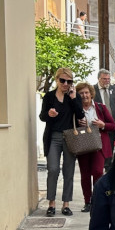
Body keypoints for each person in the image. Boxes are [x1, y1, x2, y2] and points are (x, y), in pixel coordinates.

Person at [39, 68, 84, 216]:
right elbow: (42, 116)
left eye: (69, 81)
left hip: (70, 136)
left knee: (68, 171)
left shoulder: (73, 96)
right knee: (53, 169)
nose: (65, 84)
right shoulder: (50, 96)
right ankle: (51, 203)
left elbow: (80, 115)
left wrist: (73, 99)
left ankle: (66, 204)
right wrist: (49, 114)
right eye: (62, 80)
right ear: (57, 80)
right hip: (54, 136)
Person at [75, 81, 115, 213]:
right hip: (83, 144)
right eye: (81, 93)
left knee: (98, 172)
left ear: (91, 94)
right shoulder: (75, 109)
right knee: (85, 174)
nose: (84, 95)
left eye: (86, 92)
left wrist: (102, 124)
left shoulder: (100, 107)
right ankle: (87, 202)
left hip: (98, 145)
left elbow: (112, 125)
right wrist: (78, 123)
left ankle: (98, 200)